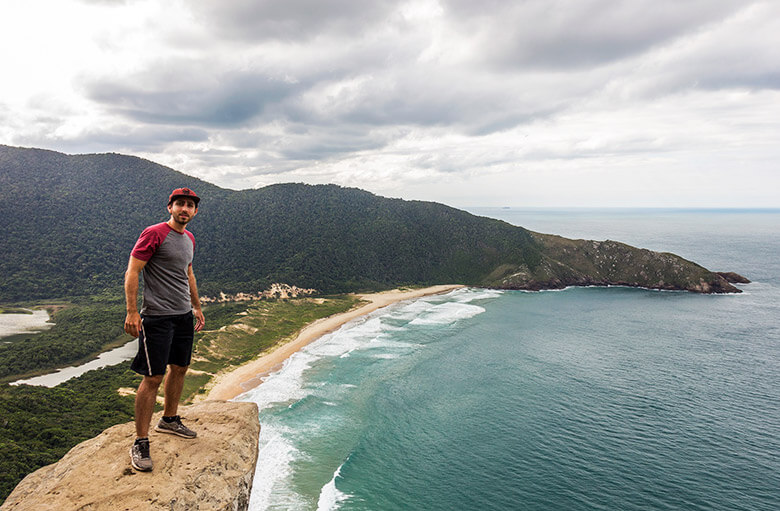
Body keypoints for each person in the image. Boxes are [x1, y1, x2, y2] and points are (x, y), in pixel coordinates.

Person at [124, 187, 206, 472]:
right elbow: (133, 271)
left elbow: (188, 274)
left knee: (180, 368)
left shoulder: (190, 239)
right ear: (169, 207)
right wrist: (132, 311)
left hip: (183, 315)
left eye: (190, 206)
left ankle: (169, 419)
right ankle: (140, 441)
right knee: (153, 376)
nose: (185, 209)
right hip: (157, 318)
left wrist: (196, 306)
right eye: (180, 204)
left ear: (195, 212)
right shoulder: (154, 233)